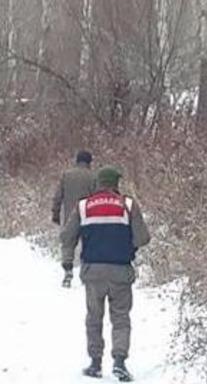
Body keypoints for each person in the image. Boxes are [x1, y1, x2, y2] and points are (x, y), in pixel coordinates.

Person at [60, 166, 150, 382]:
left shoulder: (83, 206)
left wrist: (69, 260)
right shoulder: (128, 204)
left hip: (93, 271)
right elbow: (143, 238)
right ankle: (119, 361)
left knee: (94, 318)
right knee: (120, 318)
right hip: (121, 271)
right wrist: (128, 246)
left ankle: (95, 363)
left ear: (98, 183)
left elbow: (66, 237)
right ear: (116, 183)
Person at [52, 150, 97, 287]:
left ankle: (68, 272)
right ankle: (85, 273)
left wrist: (55, 213)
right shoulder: (93, 177)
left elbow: (58, 196)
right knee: (88, 245)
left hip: (70, 217)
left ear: (77, 160)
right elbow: (97, 198)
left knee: (68, 243)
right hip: (88, 216)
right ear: (89, 162)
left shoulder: (66, 175)